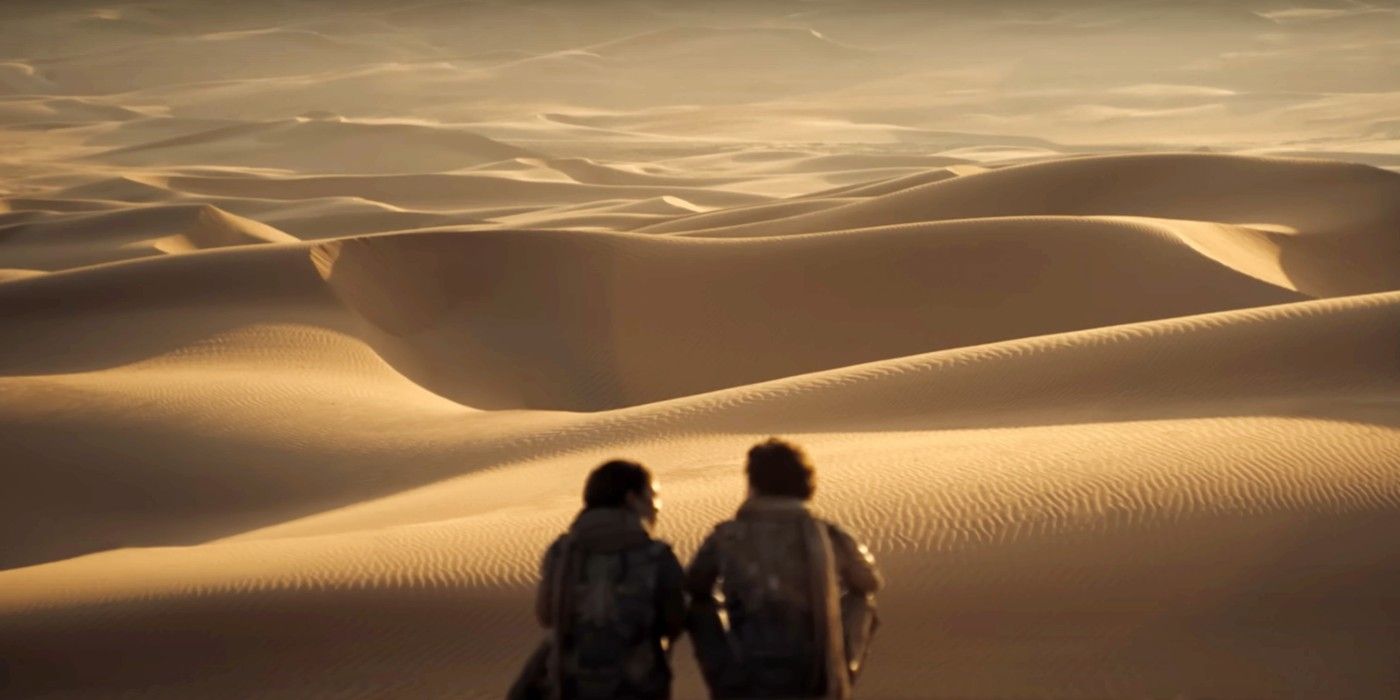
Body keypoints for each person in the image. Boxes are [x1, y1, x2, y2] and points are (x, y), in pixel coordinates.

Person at [686, 438, 883, 700]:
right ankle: (840, 673)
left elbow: (694, 586)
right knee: (862, 600)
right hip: (815, 676)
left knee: (698, 604)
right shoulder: (828, 535)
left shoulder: (726, 536)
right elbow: (869, 583)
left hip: (742, 677)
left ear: (753, 483)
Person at [508, 460, 687, 700]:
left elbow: (546, 615)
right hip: (638, 688)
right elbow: (674, 620)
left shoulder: (561, 552)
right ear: (631, 498)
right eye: (653, 496)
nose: (657, 507)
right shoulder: (657, 555)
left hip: (571, 686)